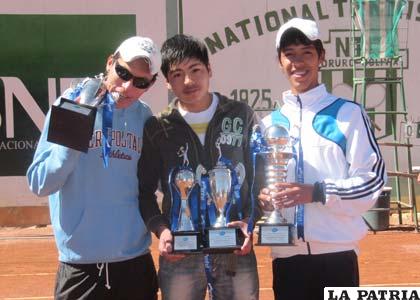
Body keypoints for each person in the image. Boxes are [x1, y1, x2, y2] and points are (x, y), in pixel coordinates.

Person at [258, 18, 386, 300]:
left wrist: (317, 192)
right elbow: (261, 188)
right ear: (279, 61)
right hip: (286, 258)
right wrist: (264, 199)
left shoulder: (349, 115)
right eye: (289, 54)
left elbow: (372, 181)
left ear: (321, 58)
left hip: (337, 256)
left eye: (306, 53)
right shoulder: (269, 125)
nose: (298, 62)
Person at [26, 36, 161, 300]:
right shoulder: (71, 105)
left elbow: (152, 187)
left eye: (140, 82)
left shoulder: (145, 119)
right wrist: (76, 129)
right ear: (110, 62)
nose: (127, 86)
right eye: (122, 73)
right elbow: (40, 183)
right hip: (80, 269)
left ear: (151, 84)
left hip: (134, 266)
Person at [138, 34, 260, 300]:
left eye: (195, 70)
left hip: (234, 249)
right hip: (180, 252)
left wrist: (250, 223)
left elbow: (259, 179)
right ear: (168, 82)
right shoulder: (158, 127)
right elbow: (144, 192)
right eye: (178, 74)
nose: (189, 81)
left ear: (209, 70)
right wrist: (162, 229)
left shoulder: (241, 115)